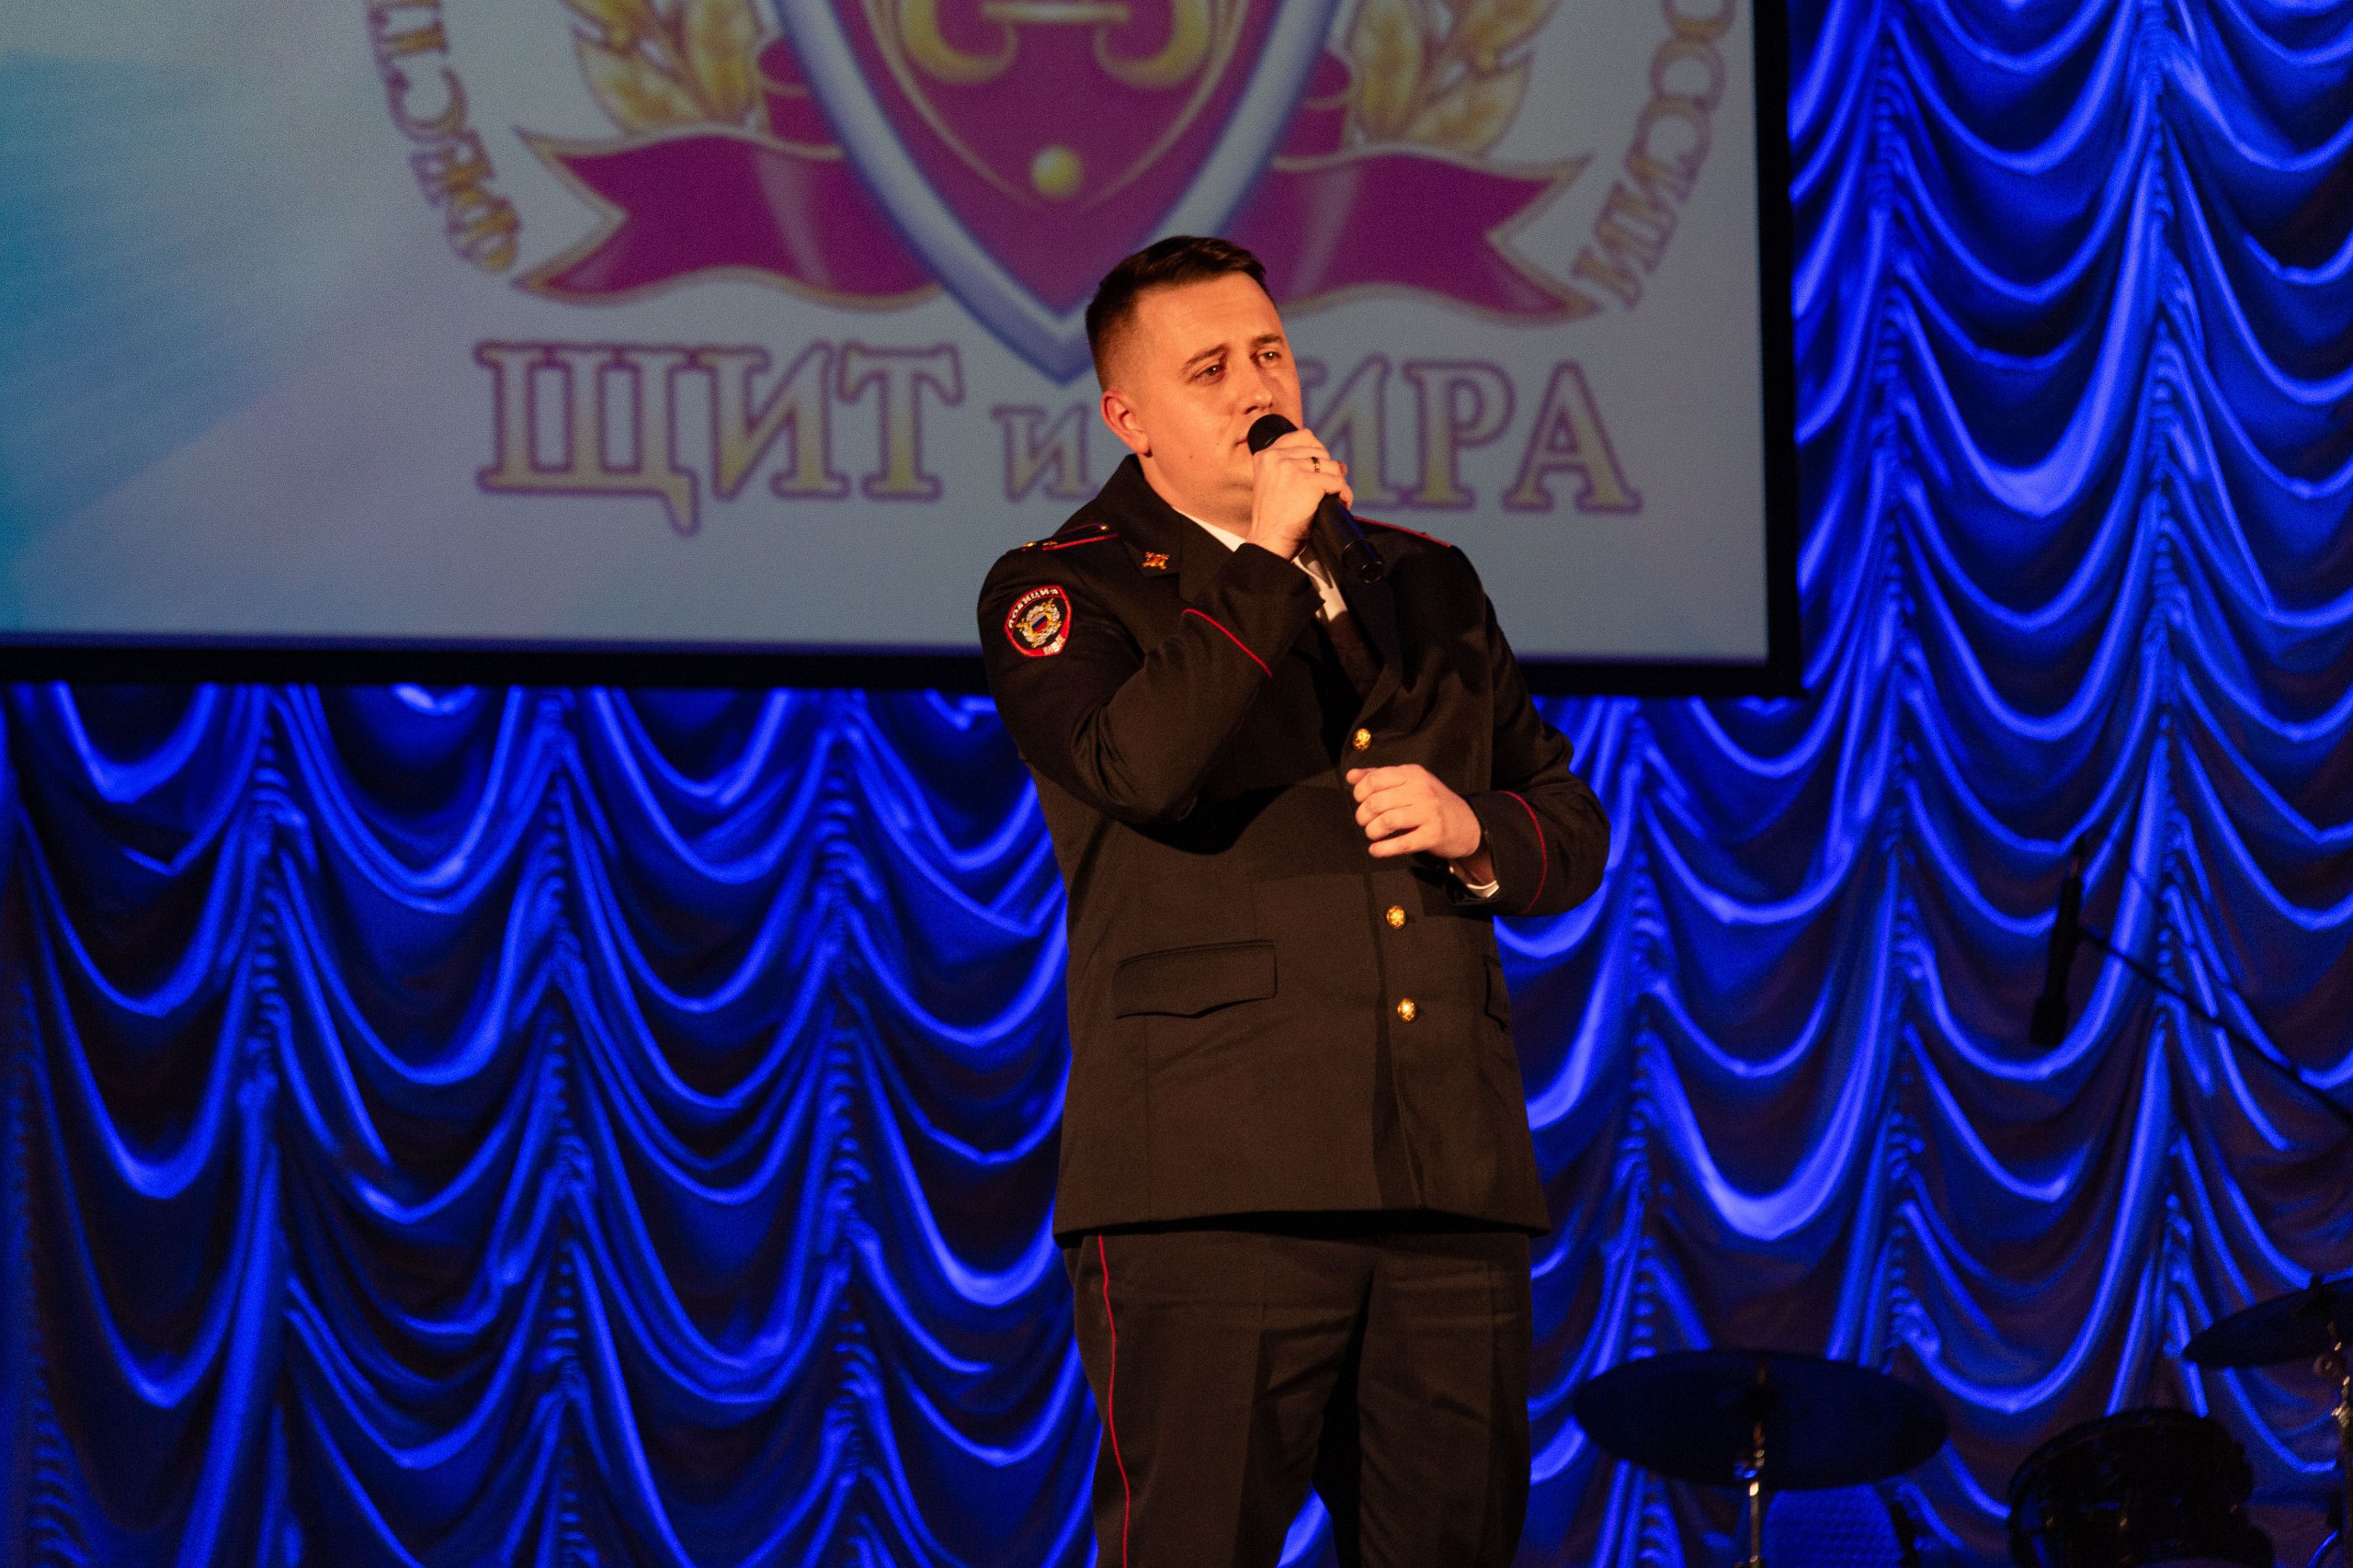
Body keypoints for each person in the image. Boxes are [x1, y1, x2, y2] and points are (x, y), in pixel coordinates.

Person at [976, 235, 1610, 1567]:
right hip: (1214, 1184)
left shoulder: (1423, 578)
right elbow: (1140, 769)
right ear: (1129, 419)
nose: (1257, 387)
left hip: (1443, 1177)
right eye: (1209, 369)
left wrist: (1474, 829)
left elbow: (1568, 816)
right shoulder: (1062, 585)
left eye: (1269, 352)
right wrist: (1264, 556)